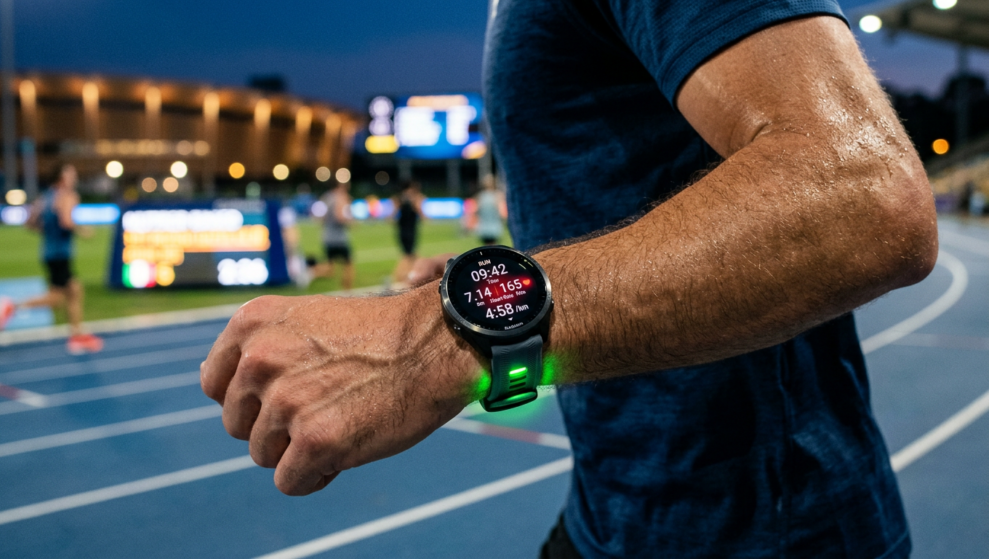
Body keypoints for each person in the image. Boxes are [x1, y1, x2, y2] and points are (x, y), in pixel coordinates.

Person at [200, 4, 938, 558]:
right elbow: (629, 186)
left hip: (759, 531)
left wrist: (438, 336)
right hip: (616, 508)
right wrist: (490, 277)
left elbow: (864, 194)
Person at [0, 163, 103, 354]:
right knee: (57, 298)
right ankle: (13, 306)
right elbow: (66, 221)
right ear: (62, 177)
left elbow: (29, 223)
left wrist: (48, 232)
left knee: (75, 290)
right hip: (61, 253)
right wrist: (83, 230)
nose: (75, 176)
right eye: (71, 173)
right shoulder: (68, 196)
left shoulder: (45, 197)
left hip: (49, 252)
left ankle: (77, 336)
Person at [312, 181, 354, 291]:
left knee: (330, 269)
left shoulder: (326, 197)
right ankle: (347, 293)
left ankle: (310, 273)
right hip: (339, 238)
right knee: (349, 265)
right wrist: (350, 222)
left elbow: (319, 217)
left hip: (327, 237)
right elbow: (339, 216)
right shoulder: (341, 197)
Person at [392, 181, 425, 283]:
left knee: (412, 255)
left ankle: (411, 276)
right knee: (408, 256)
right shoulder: (414, 199)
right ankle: (395, 277)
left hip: (403, 230)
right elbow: (422, 214)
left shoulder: (399, 198)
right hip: (409, 231)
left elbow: (392, 216)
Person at [474, 174, 505, 245]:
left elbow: (476, 211)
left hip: (484, 227)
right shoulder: (497, 196)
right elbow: (501, 212)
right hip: (494, 226)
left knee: (486, 247)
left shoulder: (480, 196)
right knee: (493, 247)